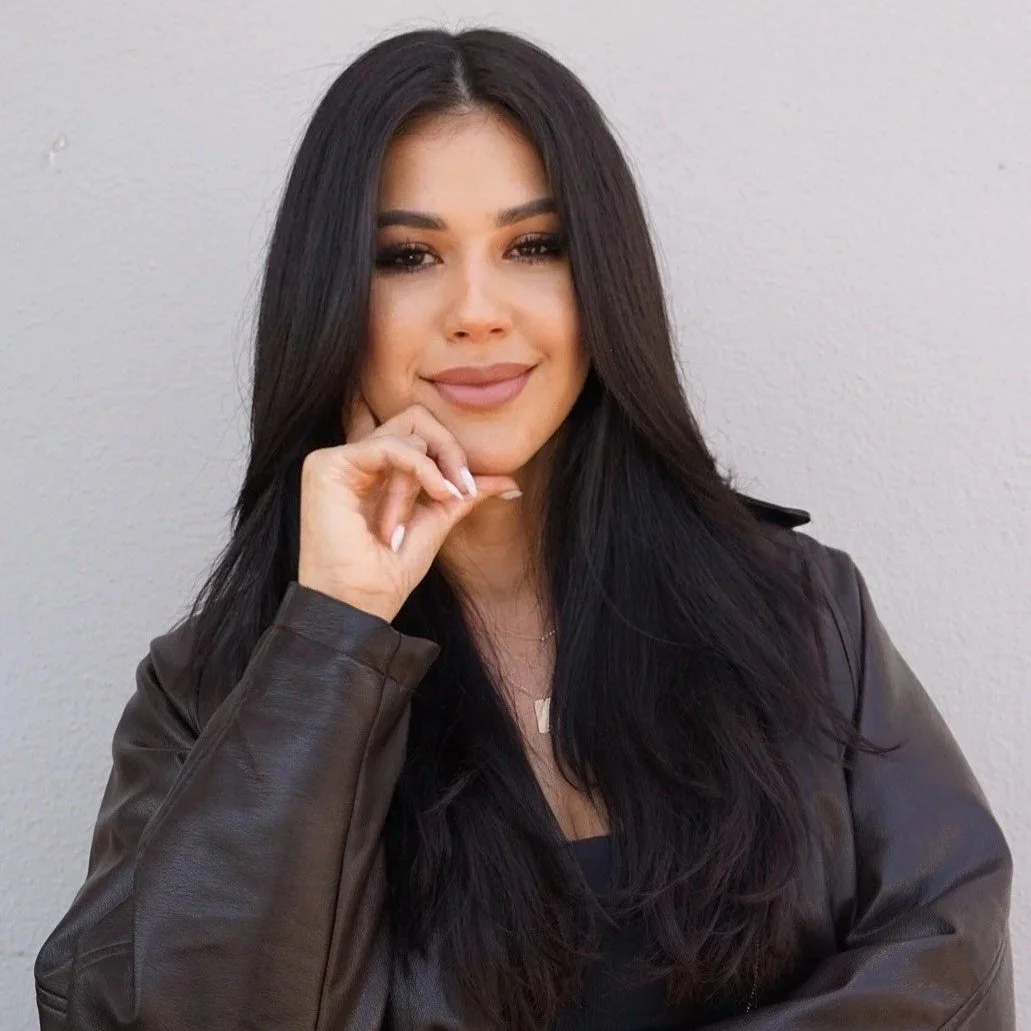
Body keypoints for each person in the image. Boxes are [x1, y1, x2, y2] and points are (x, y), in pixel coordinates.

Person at [33, 25, 1013, 1031]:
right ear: (330, 299)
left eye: (532, 246)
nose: (476, 310)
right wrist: (334, 631)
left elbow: (952, 962)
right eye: (408, 255)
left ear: (601, 284)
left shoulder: (801, 613)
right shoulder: (210, 695)